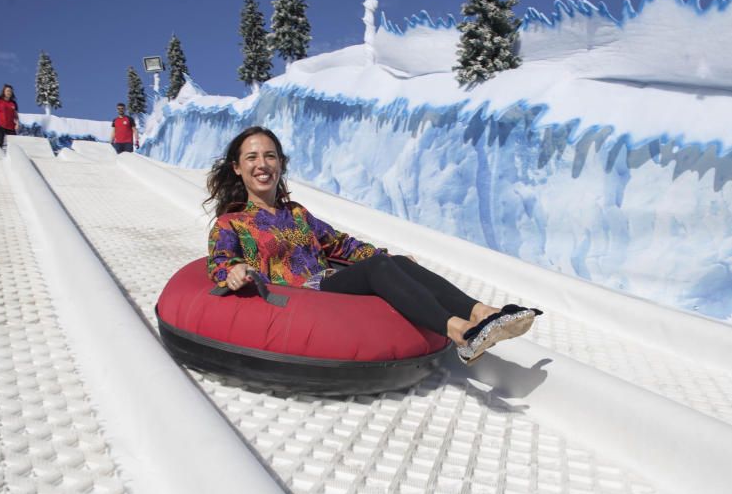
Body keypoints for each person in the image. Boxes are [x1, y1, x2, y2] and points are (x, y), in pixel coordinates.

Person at [206, 126, 541, 365]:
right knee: (380, 266)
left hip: (323, 287)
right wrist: (233, 270)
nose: (262, 164)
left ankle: (484, 313)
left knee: (394, 263)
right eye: (251, 157)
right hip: (294, 299)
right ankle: (461, 334)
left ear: (280, 163)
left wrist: (389, 258)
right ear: (237, 168)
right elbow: (219, 260)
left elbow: (340, 245)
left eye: (270, 156)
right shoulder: (231, 222)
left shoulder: (295, 213)